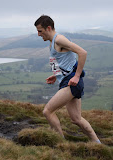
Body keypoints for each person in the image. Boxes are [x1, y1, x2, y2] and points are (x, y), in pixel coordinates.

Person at [34, 15, 101, 143]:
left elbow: (82, 52)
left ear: (48, 28)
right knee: (76, 119)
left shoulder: (59, 40)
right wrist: (56, 75)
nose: (38, 34)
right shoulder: (53, 42)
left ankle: (61, 143)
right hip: (68, 80)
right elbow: (67, 61)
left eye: (40, 31)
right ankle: (97, 143)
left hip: (71, 82)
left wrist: (76, 76)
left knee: (47, 111)